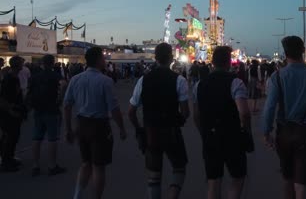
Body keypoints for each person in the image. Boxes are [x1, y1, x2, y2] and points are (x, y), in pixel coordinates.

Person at [263, 36, 306, 199]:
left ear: (285, 53)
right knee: (302, 185)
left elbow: (269, 108)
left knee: (287, 179)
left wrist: (266, 132)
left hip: (284, 133)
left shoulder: (277, 77)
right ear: (303, 51)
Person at [128, 43, 190, 199]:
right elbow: (185, 112)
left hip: (150, 133)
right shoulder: (179, 80)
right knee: (179, 168)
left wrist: (139, 129)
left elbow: (131, 111)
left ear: (155, 58)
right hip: (171, 132)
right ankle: (172, 194)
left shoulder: (143, 80)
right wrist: (179, 120)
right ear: (171, 58)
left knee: (153, 177)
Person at [63, 47, 126, 199]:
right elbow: (114, 109)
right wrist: (122, 128)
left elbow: (67, 105)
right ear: (98, 60)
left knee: (86, 163)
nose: (105, 61)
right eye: (103, 58)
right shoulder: (105, 81)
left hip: (82, 125)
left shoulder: (75, 79)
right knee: (98, 167)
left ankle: (77, 195)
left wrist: (68, 129)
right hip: (99, 127)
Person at [195, 46, 252, 199]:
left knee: (213, 181)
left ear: (212, 62)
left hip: (210, 138)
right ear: (228, 63)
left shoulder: (199, 85)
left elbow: (197, 115)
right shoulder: (236, 83)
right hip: (232, 137)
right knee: (238, 177)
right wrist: (246, 131)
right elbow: (244, 113)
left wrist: (204, 133)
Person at [28, 55, 67, 176]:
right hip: (51, 109)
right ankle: (52, 165)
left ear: (42, 63)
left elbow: (29, 92)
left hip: (38, 109)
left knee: (37, 137)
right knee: (52, 138)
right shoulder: (54, 75)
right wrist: (60, 98)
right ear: (52, 63)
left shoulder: (35, 76)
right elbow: (64, 84)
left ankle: (35, 165)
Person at [0, 56, 26, 172]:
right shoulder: (10, 79)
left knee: (13, 136)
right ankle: (6, 161)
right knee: (10, 136)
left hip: (14, 111)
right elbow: (4, 97)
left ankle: (9, 157)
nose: (22, 65)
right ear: (17, 65)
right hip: (9, 113)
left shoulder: (13, 77)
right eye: (21, 63)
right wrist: (11, 110)